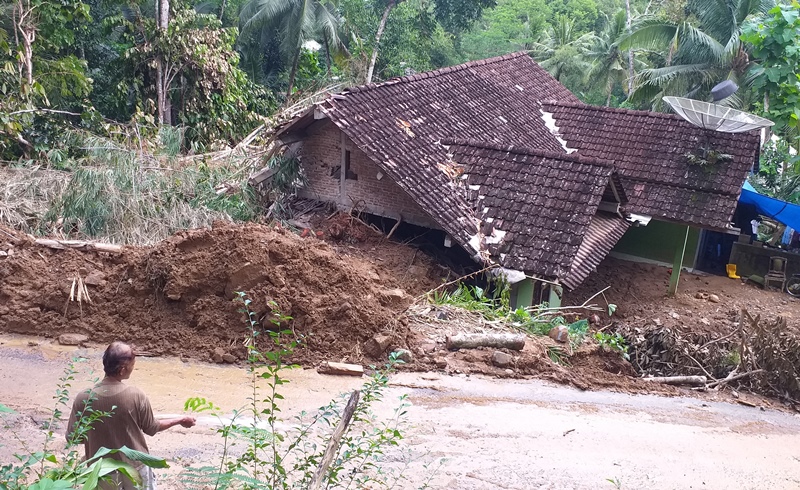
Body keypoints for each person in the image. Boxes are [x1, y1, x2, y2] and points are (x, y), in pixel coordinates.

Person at [67, 341, 196, 490]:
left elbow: (72, 437)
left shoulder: (83, 398)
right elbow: (152, 428)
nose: (133, 369)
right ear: (122, 369)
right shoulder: (136, 395)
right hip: (134, 468)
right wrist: (179, 420)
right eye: (132, 366)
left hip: (100, 469)